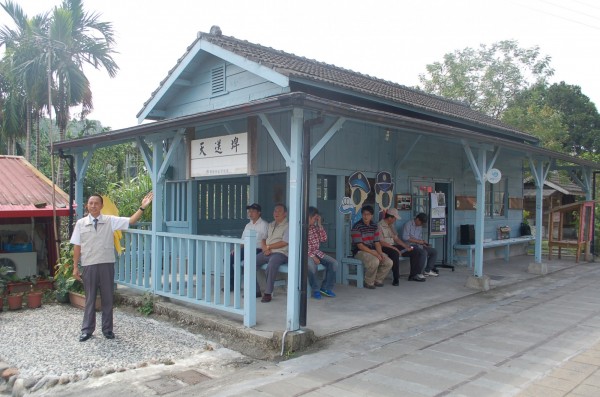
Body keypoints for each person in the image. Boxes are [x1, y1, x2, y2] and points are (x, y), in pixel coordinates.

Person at [71, 192, 154, 342]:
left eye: (97, 203)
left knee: (107, 298)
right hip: (89, 265)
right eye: (91, 203)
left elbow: (131, 221)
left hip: (106, 264)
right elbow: (77, 246)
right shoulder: (80, 224)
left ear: (102, 206)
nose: (94, 206)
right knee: (90, 298)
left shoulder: (110, 221)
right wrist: (75, 267)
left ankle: (107, 329)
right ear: (87, 206)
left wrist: (142, 207)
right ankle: (87, 330)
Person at [229, 203, 268, 296]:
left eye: (253, 211)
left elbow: (265, 241)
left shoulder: (264, 225)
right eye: (249, 211)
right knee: (229, 258)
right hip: (247, 249)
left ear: (259, 213)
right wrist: (236, 249)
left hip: (258, 250)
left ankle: (254, 290)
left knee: (248, 263)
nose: (250, 213)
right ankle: (232, 284)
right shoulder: (248, 225)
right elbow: (243, 240)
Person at [378, 208, 426, 284]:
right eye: (395, 218)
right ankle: (396, 278)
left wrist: (406, 246)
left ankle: (413, 275)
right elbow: (381, 242)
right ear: (390, 218)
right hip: (384, 247)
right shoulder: (380, 225)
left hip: (393, 245)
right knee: (395, 253)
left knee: (414, 251)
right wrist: (395, 248)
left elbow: (397, 239)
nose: (395, 220)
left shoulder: (391, 226)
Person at [351, 205, 393, 289]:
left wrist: (380, 253)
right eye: (364, 214)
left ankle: (378, 280)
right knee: (375, 261)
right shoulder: (357, 226)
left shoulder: (374, 226)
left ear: (372, 215)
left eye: (368, 214)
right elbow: (360, 245)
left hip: (372, 250)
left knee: (388, 262)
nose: (366, 216)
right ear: (362, 215)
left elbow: (377, 243)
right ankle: (368, 282)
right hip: (359, 251)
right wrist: (374, 253)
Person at [255, 203, 289, 303]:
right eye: (275, 211)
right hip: (267, 251)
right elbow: (263, 238)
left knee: (272, 264)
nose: (276, 213)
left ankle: (268, 293)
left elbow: (284, 242)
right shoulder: (270, 224)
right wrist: (264, 248)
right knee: (250, 263)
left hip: (281, 253)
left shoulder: (288, 226)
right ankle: (256, 290)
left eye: (279, 211)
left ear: (285, 214)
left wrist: (268, 247)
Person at [307, 206, 338, 299]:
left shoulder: (315, 227)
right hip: (306, 254)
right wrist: (312, 256)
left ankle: (325, 288)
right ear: (308, 217)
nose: (315, 220)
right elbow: (300, 246)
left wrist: (320, 225)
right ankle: (315, 290)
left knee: (334, 263)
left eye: (317, 218)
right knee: (312, 266)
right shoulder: (301, 228)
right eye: (314, 218)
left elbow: (324, 239)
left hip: (317, 252)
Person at [402, 212, 439, 277]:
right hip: (410, 247)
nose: (421, 224)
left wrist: (423, 243)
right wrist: (418, 242)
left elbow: (419, 238)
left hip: (418, 245)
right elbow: (405, 237)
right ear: (417, 219)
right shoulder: (408, 224)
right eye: (421, 223)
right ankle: (418, 273)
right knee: (423, 252)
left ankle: (427, 270)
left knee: (434, 251)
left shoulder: (420, 226)